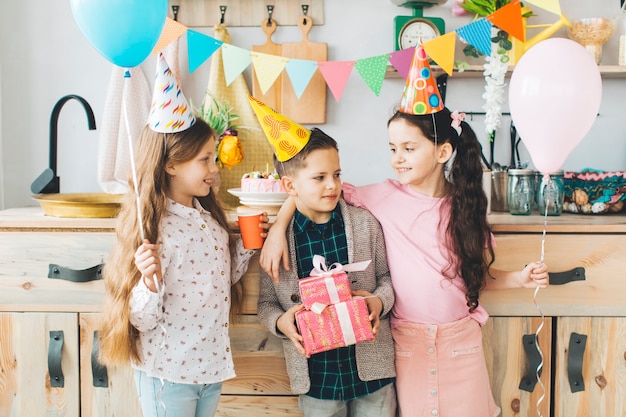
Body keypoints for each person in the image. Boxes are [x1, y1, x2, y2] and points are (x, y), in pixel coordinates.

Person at [260, 45, 550, 417]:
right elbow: (314, 192)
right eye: (393, 148)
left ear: (442, 152)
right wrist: (278, 225)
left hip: (461, 342)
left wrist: (518, 278)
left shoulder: (466, 211)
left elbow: (474, 279)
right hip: (407, 343)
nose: (397, 158)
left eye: (409, 148)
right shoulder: (382, 197)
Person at [98, 54, 268, 417]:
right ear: (171, 165)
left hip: (209, 367)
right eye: (205, 160)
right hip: (168, 372)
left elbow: (220, 280)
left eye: (213, 158)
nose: (215, 167)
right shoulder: (157, 228)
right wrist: (149, 279)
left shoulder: (206, 219)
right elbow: (141, 320)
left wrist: (246, 247)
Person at [249, 95, 397, 417]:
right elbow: (266, 304)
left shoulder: (365, 224)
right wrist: (280, 322)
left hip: (374, 375)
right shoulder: (278, 244)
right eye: (319, 178)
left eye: (337, 174)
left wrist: (378, 302)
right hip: (317, 381)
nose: (333, 185)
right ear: (290, 184)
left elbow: (386, 279)